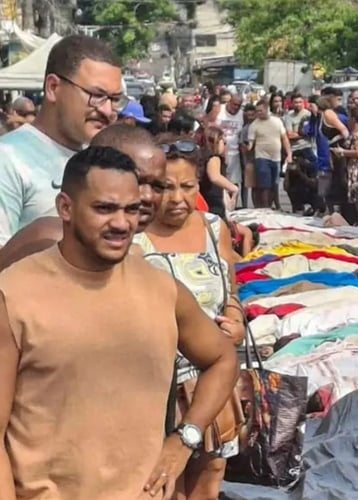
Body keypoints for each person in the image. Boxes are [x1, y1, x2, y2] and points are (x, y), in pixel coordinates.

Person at [0, 146, 238, 499]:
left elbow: (222, 359)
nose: (122, 223)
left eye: (131, 210)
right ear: (66, 207)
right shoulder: (9, 297)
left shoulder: (161, 288)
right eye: (104, 208)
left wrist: (185, 438)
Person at [134, 136, 244, 498]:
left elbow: (231, 291)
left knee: (208, 479)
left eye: (188, 186)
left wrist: (235, 320)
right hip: (154, 388)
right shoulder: (132, 237)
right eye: (165, 187)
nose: (177, 199)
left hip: (211, 383)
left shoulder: (214, 228)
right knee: (162, 485)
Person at [0, 35, 125, 277]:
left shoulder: (103, 159)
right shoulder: (1, 163)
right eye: (96, 95)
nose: (106, 110)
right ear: (53, 88)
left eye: (114, 100)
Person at [0, 124, 167, 311]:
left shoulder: (138, 260)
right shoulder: (50, 240)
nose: (147, 196)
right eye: (137, 181)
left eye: (158, 186)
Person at [245, 99, 292, 208]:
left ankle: (274, 205)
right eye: (257, 111)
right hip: (261, 157)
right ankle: (265, 207)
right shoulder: (254, 125)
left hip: (276, 158)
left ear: (267, 109)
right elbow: (251, 144)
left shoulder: (277, 121)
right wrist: (247, 148)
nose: (258, 113)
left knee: (274, 185)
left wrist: (289, 154)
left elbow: (284, 138)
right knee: (264, 185)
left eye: (260, 111)